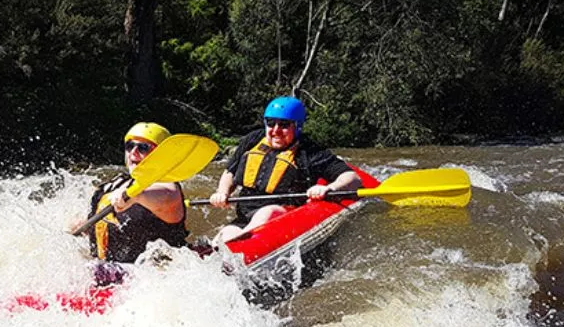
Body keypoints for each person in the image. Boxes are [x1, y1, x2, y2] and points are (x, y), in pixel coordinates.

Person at [209, 96, 361, 243]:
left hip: (286, 215)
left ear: (297, 126)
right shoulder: (253, 140)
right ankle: (229, 246)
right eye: (270, 123)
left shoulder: (310, 152)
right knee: (225, 235)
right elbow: (230, 171)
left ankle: (244, 244)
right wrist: (222, 192)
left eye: (284, 124)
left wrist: (328, 188)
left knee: (267, 213)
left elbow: (352, 177)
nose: (275, 130)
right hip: (245, 215)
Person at [68, 122, 188, 270]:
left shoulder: (167, 187)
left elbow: (167, 196)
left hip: (150, 277)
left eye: (143, 148)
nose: (133, 153)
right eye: (130, 146)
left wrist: (137, 196)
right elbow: (96, 220)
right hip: (107, 269)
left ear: (161, 156)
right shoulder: (113, 184)